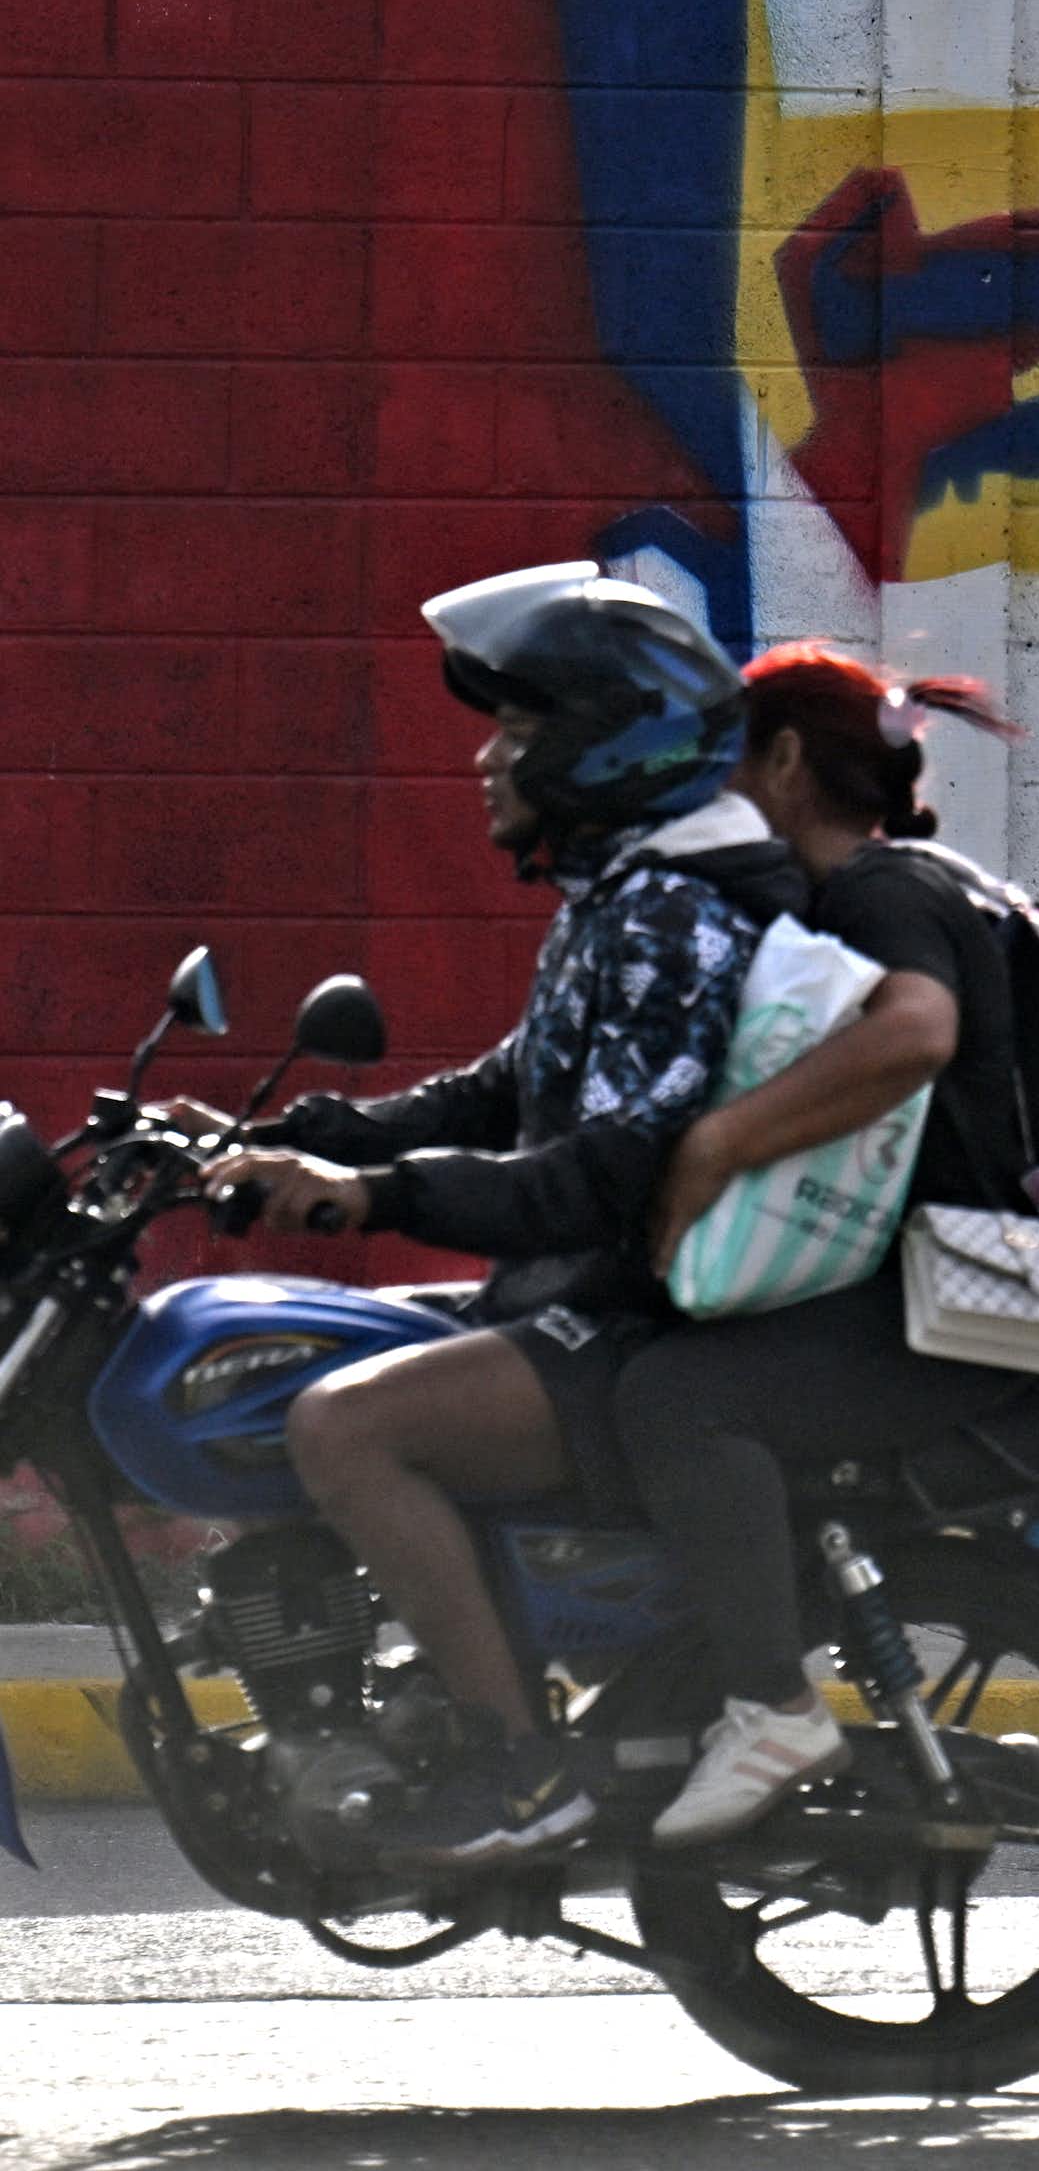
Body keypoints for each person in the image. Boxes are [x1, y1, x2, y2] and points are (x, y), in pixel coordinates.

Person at [202, 561, 803, 1866]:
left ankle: (520, 1768)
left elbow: (609, 1168)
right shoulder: (627, 889)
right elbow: (514, 1085)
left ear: (607, 745)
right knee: (300, 1349)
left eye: (520, 731)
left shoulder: (681, 907)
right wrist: (316, 1136)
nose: (487, 758)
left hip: (644, 1313)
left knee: (342, 1423)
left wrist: (379, 1193)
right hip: (592, 1291)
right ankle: (421, 1675)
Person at [620, 642, 1037, 1848]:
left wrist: (717, 1149)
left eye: (735, 765)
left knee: (676, 1402)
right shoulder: (937, 880)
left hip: (960, 1302)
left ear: (788, 760)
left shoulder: (875, 892)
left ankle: (770, 1706)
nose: (722, 796)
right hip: (979, 1285)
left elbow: (914, 1033)